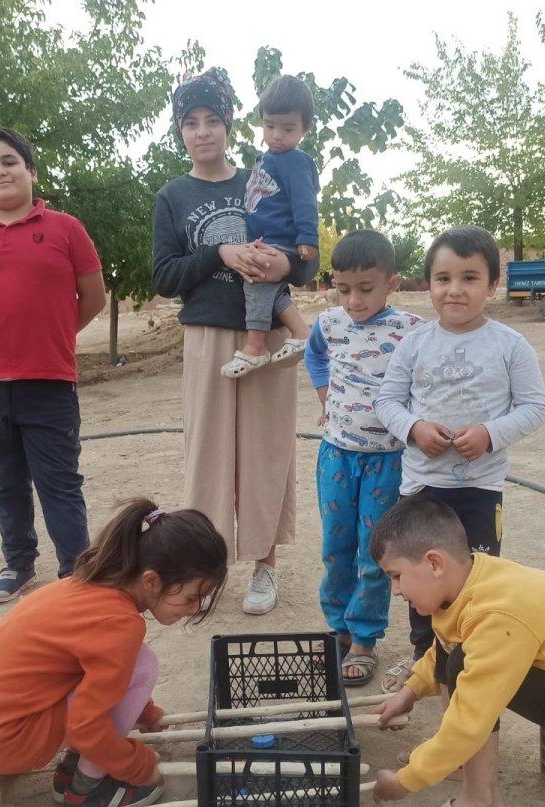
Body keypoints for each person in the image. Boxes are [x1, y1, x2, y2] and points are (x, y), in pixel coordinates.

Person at [151, 68, 315, 615]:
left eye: (212, 120)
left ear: (228, 124)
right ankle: (203, 571)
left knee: (267, 453)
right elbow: (164, 276)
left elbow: (302, 255)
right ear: (180, 131)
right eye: (190, 123)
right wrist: (219, 253)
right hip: (207, 338)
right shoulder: (172, 196)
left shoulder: (262, 175)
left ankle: (265, 565)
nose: (202, 132)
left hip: (265, 336)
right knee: (208, 458)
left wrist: (285, 264)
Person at [370, 495, 545, 806]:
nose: (396, 590)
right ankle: (459, 759)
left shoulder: (497, 614)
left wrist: (406, 781)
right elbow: (443, 645)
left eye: (396, 576)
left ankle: (480, 799)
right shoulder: (470, 578)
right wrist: (411, 691)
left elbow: (472, 717)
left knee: (466, 669)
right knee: (459, 657)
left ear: (434, 563)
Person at [0, 498, 228, 807]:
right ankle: (87, 786)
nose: (194, 609)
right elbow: (86, 723)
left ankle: (73, 770)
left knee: (135, 663)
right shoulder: (119, 623)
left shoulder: (89, 586)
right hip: (9, 742)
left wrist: (144, 711)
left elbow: (100, 672)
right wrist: (137, 764)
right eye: (192, 597)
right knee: (143, 666)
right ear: (151, 581)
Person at [373, 225, 545, 691]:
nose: (455, 289)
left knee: (476, 580)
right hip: (421, 488)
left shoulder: (510, 345)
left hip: (479, 490)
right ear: (428, 284)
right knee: (417, 575)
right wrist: (415, 428)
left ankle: (472, 662)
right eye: (443, 278)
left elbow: (535, 407)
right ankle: (423, 659)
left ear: (493, 285)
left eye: (470, 278)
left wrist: (490, 434)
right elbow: (387, 401)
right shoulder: (414, 343)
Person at [0, 127, 106, 603]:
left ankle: (77, 572)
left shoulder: (66, 229)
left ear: (31, 171)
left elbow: (93, 297)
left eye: (9, 161)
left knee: (59, 482)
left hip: (49, 381)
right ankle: (18, 564)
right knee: (5, 481)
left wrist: (51, 335)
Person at [304, 230, 423, 687]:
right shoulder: (328, 324)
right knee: (335, 549)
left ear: (391, 283)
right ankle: (338, 627)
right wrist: (325, 397)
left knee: (374, 553)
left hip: (387, 461)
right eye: (343, 288)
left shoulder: (411, 330)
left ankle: (364, 639)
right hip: (336, 456)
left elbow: (427, 380)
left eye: (366, 289)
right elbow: (315, 358)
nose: (354, 300)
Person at [220, 74, 318, 378]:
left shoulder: (295, 161)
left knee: (255, 280)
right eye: (270, 126)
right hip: (265, 237)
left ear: (305, 128)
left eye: (288, 129)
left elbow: (305, 201)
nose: (277, 135)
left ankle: (255, 347)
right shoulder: (265, 159)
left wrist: (308, 238)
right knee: (270, 291)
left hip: (281, 239)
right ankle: (302, 332)